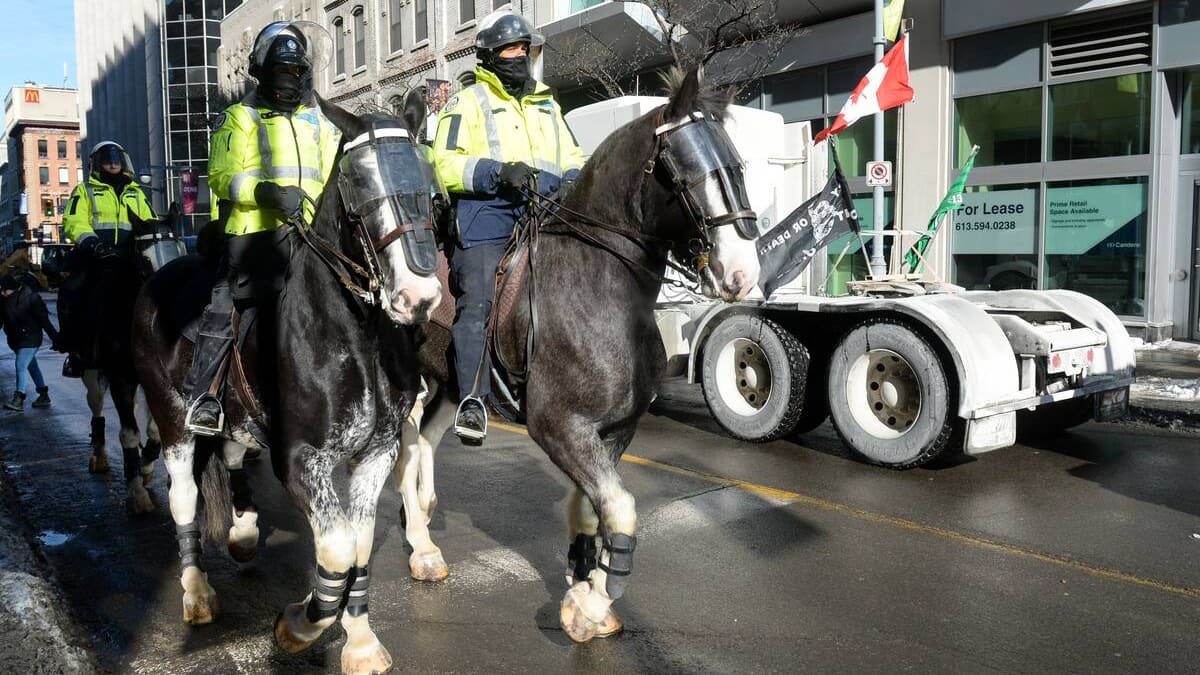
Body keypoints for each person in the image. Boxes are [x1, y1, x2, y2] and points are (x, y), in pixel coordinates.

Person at [432, 10, 585, 440]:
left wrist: (574, 178)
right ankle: (472, 401)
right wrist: (495, 172)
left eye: (525, 49)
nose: (520, 57)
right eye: (510, 50)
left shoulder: (548, 104)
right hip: (488, 214)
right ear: (491, 56)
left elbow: (574, 157)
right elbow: (443, 163)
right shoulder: (467, 101)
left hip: (545, 208)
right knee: (477, 297)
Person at [182, 21, 341, 435]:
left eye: (294, 72)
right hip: (254, 237)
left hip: (313, 237)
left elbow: (335, 174)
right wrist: (266, 192)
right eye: (278, 72)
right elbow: (220, 176)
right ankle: (207, 395)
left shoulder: (319, 123)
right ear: (261, 72)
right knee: (223, 306)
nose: (287, 80)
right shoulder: (236, 118)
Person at [59, 141, 156, 373]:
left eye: (116, 158)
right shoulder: (85, 190)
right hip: (97, 258)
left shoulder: (136, 191)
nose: (112, 163)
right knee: (71, 292)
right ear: (97, 163)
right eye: (107, 159)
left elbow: (148, 220)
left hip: (130, 256)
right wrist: (93, 244)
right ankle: (75, 351)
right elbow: (73, 221)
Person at [0, 276, 62, 411]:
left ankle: (19, 398)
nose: (2, 293)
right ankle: (43, 395)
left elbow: (44, 321)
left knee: (21, 364)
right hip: (15, 339)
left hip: (31, 337)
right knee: (31, 366)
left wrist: (56, 339)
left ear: (14, 289)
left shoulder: (31, 298)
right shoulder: (3, 300)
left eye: (5, 290)